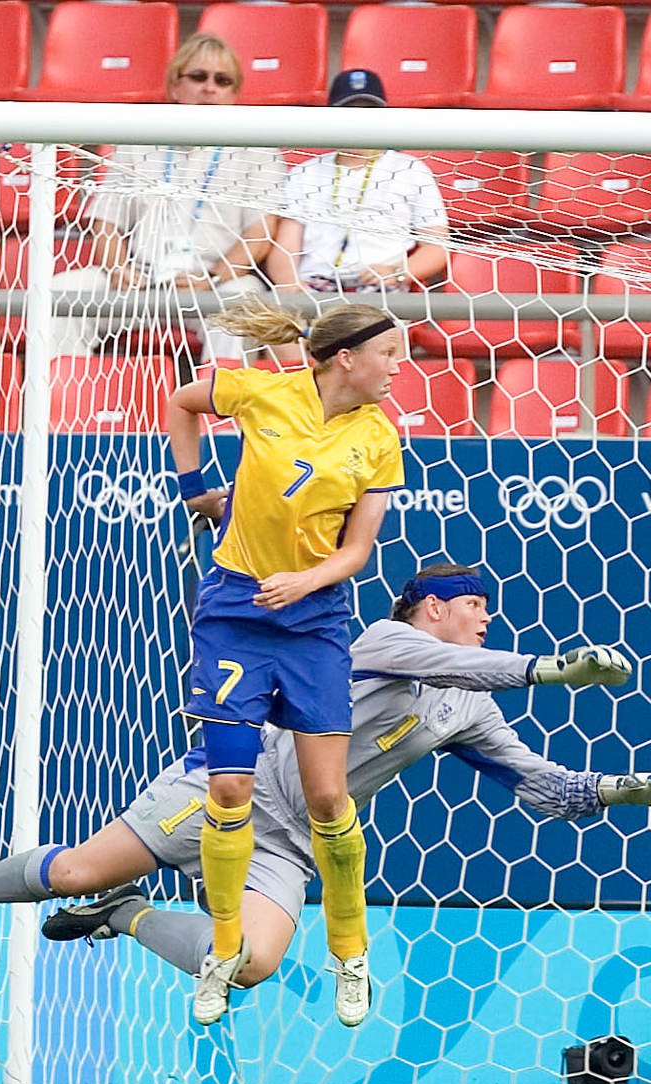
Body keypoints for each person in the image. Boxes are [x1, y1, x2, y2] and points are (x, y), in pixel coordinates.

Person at [0, 566, 651, 1008]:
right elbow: (466, 661)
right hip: (227, 789)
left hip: (295, 841)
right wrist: (547, 670)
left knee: (249, 968)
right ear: (432, 609)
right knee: (67, 872)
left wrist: (619, 789)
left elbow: (539, 783)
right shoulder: (384, 640)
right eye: (475, 605)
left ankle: (123, 915)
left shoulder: (468, 704)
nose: (486, 619)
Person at [164, 298, 405, 1026]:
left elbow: (357, 552)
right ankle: (224, 952)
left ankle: (350, 952)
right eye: (390, 354)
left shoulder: (380, 439)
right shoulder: (261, 391)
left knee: (328, 800)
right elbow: (180, 400)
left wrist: (307, 580)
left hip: (314, 623)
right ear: (347, 359)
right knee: (230, 788)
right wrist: (194, 489)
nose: (399, 367)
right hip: (236, 615)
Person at [52, 34, 287, 364]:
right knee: (63, 292)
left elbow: (259, 235)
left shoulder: (257, 149)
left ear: (234, 94)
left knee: (244, 303)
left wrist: (213, 278)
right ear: (175, 86)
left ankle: (221, 413)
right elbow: (105, 223)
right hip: (137, 278)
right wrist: (119, 269)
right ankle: (61, 407)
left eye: (222, 80)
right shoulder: (139, 140)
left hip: (213, 282)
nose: (209, 88)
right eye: (198, 76)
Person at [264, 70, 449, 307]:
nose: (359, 120)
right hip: (314, 286)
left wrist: (397, 272)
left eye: (369, 112)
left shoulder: (411, 169)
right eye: (349, 112)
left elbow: (436, 247)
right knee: (279, 333)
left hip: (378, 289)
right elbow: (286, 246)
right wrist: (288, 285)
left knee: (375, 335)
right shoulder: (305, 172)